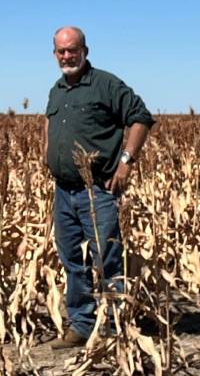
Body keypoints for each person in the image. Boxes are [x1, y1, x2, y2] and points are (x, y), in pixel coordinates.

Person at [43, 26, 155, 348]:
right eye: (61, 51)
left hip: (99, 191)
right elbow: (49, 121)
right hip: (64, 191)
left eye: (72, 49)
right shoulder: (57, 90)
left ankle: (113, 328)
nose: (67, 56)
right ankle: (81, 325)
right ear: (54, 54)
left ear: (85, 51)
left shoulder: (106, 84)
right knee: (71, 262)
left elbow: (140, 118)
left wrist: (125, 161)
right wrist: (47, 149)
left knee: (106, 257)